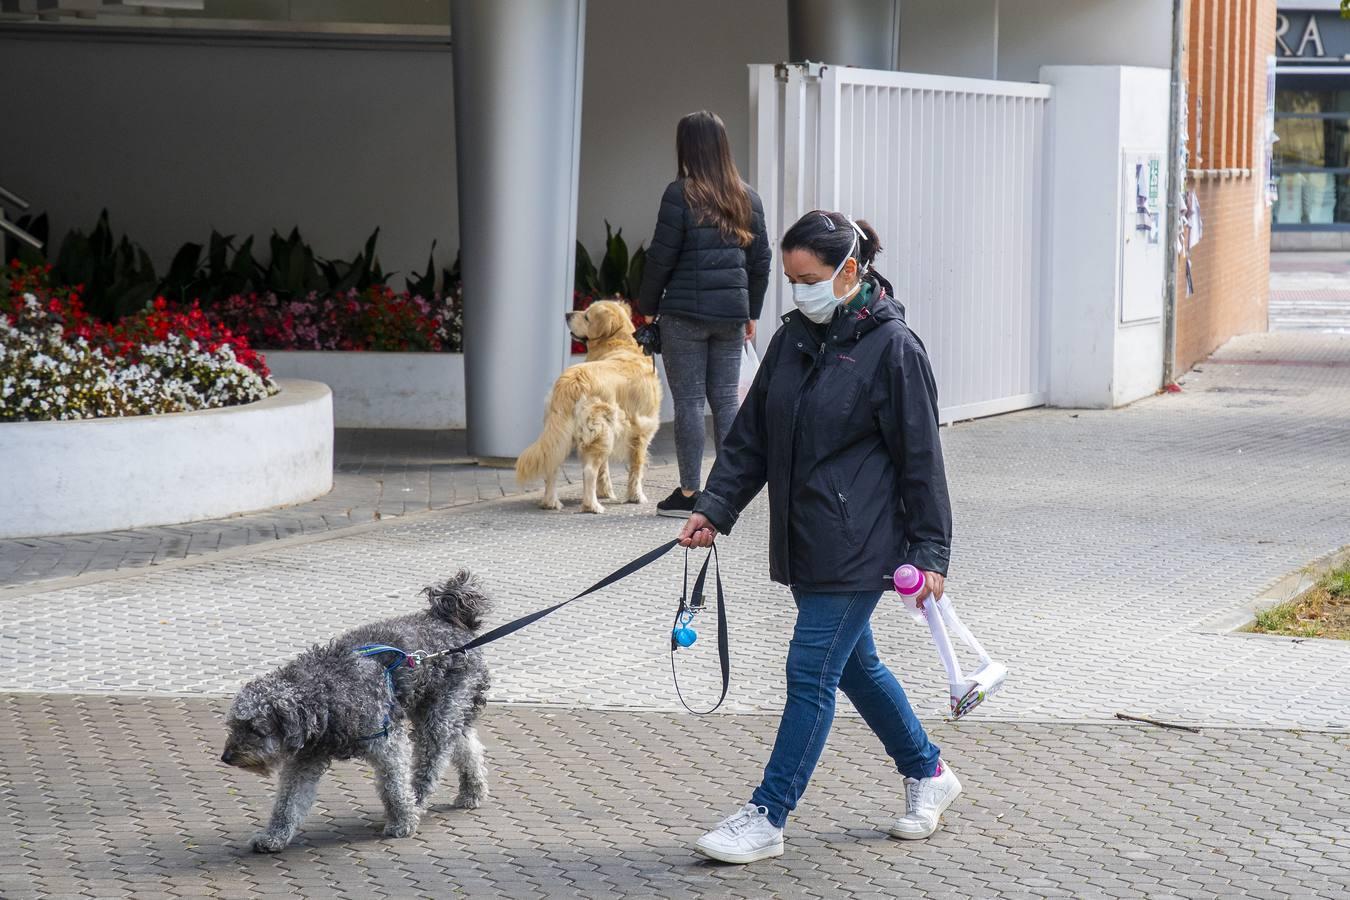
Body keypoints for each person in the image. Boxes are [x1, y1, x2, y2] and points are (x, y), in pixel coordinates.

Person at [676, 210, 959, 865]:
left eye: (808, 279)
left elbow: (922, 461)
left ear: (849, 272)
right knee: (855, 666)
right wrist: (714, 507)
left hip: (862, 543)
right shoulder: (795, 338)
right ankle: (929, 773)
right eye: (791, 279)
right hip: (806, 539)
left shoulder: (894, 348)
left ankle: (768, 815)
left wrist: (930, 553)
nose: (798, 291)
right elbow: (751, 439)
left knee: (810, 671)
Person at [637, 110, 771, 518]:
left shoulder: (680, 194)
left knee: (691, 402)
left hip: (684, 317)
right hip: (731, 316)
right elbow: (761, 260)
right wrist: (751, 311)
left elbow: (661, 256)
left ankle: (691, 494)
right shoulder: (746, 196)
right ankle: (728, 493)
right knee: (726, 401)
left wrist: (646, 307)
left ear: (687, 147)